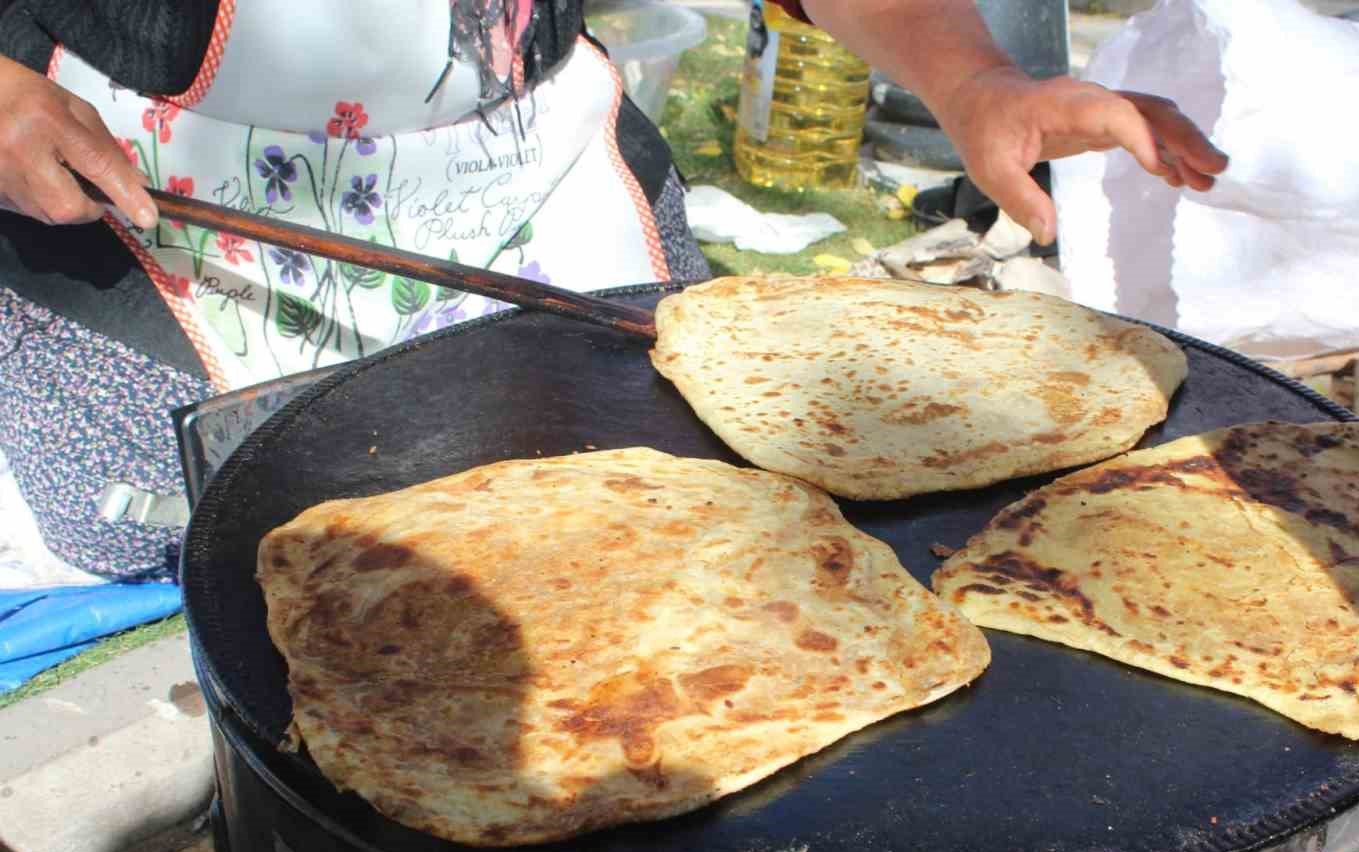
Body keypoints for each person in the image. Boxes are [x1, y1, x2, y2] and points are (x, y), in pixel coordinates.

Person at [0, 0, 1225, 583]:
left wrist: (968, 83)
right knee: (211, 546)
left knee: (685, 506)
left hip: (522, 170)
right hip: (147, 178)